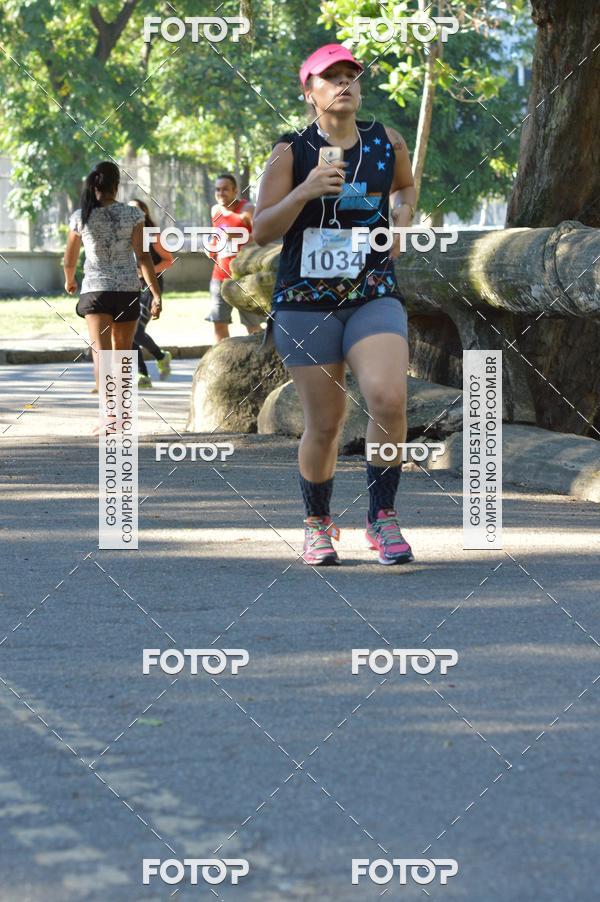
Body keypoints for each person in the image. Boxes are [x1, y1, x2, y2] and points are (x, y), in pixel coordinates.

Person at [253, 44, 417, 567]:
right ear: (309, 91)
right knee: (325, 422)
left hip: (372, 293)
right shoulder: (290, 152)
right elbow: (260, 229)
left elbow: (407, 188)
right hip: (306, 302)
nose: (345, 84)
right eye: (331, 77)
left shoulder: (386, 141)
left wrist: (403, 216)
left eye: (351, 75)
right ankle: (318, 524)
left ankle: (383, 518)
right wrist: (303, 192)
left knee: (388, 399)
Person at [63, 162, 162, 408]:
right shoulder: (133, 215)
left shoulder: (80, 216)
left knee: (102, 354)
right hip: (128, 290)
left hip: (96, 291)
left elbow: (70, 258)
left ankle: (108, 417)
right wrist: (155, 293)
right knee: (124, 353)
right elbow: (143, 256)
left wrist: (69, 279)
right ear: (116, 186)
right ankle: (122, 414)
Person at [206, 172, 265, 342]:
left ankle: (259, 362)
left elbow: (261, 236)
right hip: (219, 275)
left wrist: (239, 237)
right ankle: (222, 363)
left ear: (235, 191)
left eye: (225, 189)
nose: (220, 193)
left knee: (252, 325)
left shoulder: (247, 210)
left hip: (244, 276)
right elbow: (215, 235)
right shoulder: (215, 210)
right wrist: (211, 245)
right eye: (217, 189)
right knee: (218, 321)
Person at [128, 198, 174, 389]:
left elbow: (168, 260)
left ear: (144, 213)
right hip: (128, 287)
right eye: (129, 210)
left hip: (149, 286)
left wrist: (147, 271)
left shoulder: (152, 234)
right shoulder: (122, 234)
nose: (133, 214)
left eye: (137, 210)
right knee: (128, 331)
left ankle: (160, 357)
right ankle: (143, 374)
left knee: (136, 331)